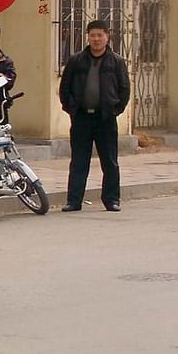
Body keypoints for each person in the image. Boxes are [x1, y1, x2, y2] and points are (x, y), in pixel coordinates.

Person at [59, 20, 130, 213]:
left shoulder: (116, 61)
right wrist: (71, 108)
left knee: (110, 161)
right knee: (79, 161)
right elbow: (65, 88)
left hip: (105, 118)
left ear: (107, 37)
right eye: (93, 35)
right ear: (88, 37)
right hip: (81, 118)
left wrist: (115, 110)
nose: (96, 39)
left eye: (100, 35)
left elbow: (124, 89)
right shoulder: (76, 60)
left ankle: (111, 200)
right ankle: (74, 201)